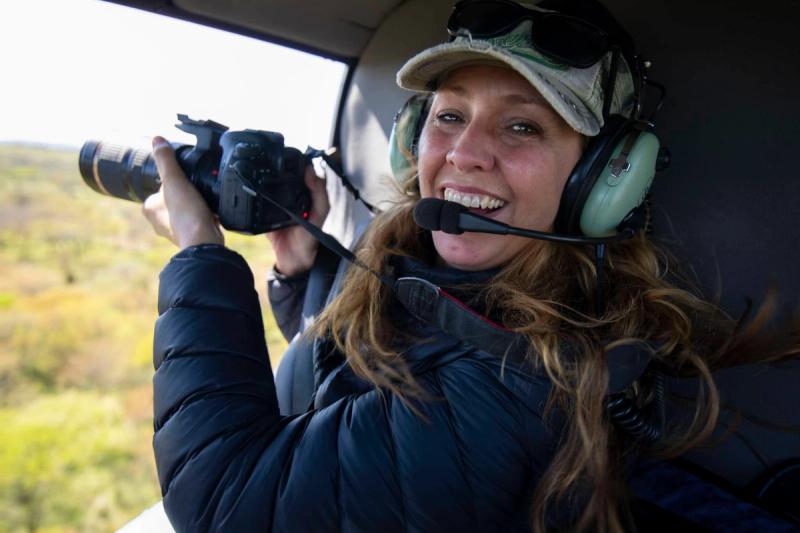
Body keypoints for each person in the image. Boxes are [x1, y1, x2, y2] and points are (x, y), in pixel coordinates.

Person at [142, 0, 797, 531]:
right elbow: (371, 406)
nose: (464, 153)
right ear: (411, 139)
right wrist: (300, 277)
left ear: (604, 181)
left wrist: (200, 253)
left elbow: (227, 505)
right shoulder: (424, 276)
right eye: (450, 114)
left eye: (522, 128)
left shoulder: (531, 380)